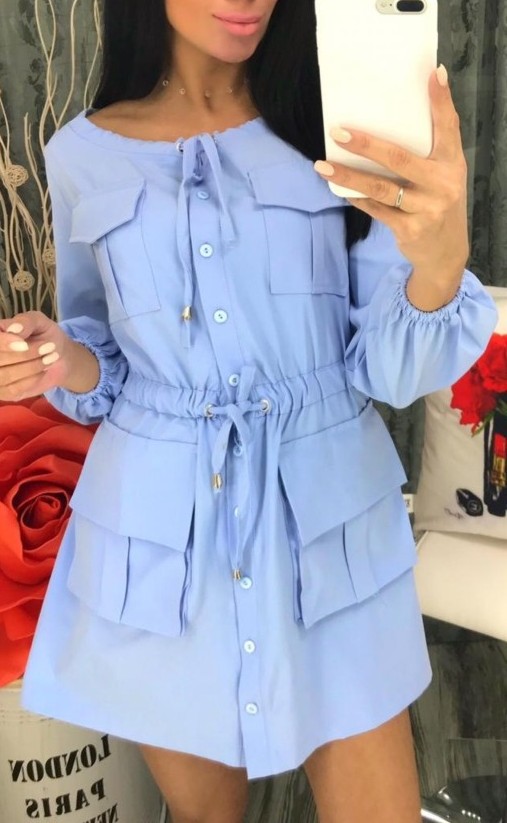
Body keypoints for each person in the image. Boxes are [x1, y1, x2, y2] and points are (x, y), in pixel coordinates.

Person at [0, 1, 498, 821]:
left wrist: (440, 264)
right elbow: (105, 358)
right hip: (163, 542)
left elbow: (387, 367)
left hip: (328, 524)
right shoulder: (81, 153)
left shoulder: (341, 128)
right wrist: (57, 353)